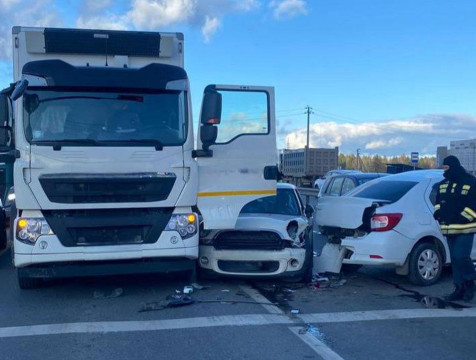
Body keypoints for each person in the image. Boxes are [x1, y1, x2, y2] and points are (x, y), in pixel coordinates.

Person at [434, 155, 476, 302]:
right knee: (455, 260)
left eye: (447, 168)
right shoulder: (443, 183)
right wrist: (438, 212)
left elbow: (474, 204)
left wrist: (464, 217)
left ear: (454, 166)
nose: (445, 171)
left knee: (461, 256)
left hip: (466, 228)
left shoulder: (470, 182)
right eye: (444, 168)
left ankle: (470, 283)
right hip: (448, 228)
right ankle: (459, 288)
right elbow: (438, 201)